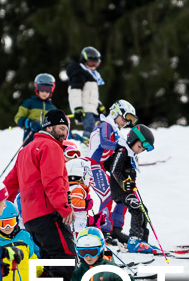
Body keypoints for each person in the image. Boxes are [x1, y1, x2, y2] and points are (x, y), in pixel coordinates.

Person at [5, 108, 75, 281]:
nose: (64, 133)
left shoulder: (25, 150)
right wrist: (64, 207)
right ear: (49, 127)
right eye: (61, 128)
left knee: (48, 259)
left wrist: (0, 206)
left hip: (30, 219)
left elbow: (11, 183)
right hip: (48, 213)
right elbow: (52, 181)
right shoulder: (50, 147)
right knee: (66, 257)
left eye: (66, 130)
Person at [87, 99, 138, 246]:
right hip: (93, 165)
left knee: (122, 193)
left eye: (131, 120)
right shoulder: (106, 125)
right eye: (126, 118)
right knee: (107, 194)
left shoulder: (115, 129)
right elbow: (105, 143)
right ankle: (103, 229)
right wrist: (121, 146)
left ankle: (115, 228)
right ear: (116, 112)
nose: (127, 122)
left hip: (104, 166)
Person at [102, 124, 157, 254]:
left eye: (142, 149)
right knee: (137, 209)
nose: (139, 150)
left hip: (128, 190)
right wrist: (123, 183)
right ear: (132, 140)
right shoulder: (122, 151)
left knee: (143, 210)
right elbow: (114, 169)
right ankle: (134, 241)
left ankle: (143, 241)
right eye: (139, 147)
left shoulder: (130, 154)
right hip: (120, 191)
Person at [66, 46, 104, 140]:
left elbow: (90, 94)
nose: (93, 67)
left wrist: (98, 104)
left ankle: (98, 147)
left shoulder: (91, 75)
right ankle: (85, 146)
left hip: (92, 108)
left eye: (96, 64)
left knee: (101, 127)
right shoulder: (79, 74)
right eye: (91, 63)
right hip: (84, 108)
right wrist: (77, 108)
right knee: (90, 126)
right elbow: (75, 92)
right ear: (84, 61)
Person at [14, 73, 57, 145]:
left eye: (47, 89)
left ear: (51, 90)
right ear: (37, 88)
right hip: (31, 136)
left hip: (47, 138)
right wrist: (29, 122)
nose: (44, 92)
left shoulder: (53, 108)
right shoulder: (30, 103)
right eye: (42, 89)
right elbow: (18, 118)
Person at [66, 157, 94, 237]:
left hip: (75, 223)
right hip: (76, 225)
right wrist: (87, 204)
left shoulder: (71, 187)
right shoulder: (77, 188)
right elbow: (74, 203)